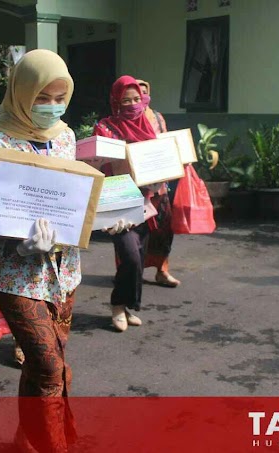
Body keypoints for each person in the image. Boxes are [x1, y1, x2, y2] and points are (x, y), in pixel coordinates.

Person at [0, 49, 83, 452]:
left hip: (64, 271)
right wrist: (21, 244)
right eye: (43, 98)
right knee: (48, 365)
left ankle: (26, 439)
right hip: (16, 273)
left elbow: (71, 199)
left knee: (44, 364)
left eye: (60, 98)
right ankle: (51, 444)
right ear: (23, 92)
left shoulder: (66, 137)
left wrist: (107, 214)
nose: (52, 107)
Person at [93, 75, 167, 332]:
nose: (133, 105)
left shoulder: (150, 127)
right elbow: (98, 164)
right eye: (126, 100)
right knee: (131, 256)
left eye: (137, 99)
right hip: (117, 200)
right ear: (116, 101)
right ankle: (117, 305)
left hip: (147, 201)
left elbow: (162, 160)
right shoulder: (105, 128)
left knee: (138, 255)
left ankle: (128, 305)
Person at [137, 79, 180, 287]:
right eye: (137, 94)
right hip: (134, 188)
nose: (142, 98)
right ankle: (129, 274)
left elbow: (166, 144)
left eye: (145, 93)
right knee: (134, 235)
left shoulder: (157, 117)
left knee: (163, 229)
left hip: (159, 185)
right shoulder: (120, 120)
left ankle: (162, 270)